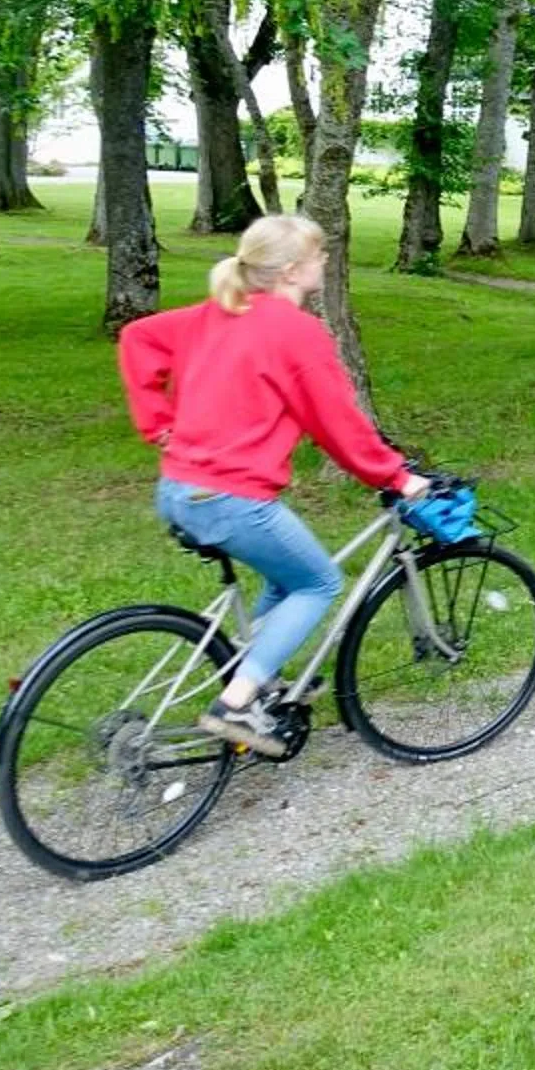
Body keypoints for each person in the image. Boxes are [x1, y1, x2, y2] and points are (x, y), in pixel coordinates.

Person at [117, 213, 427, 757]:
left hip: (179, 489)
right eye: (318, 254)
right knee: (320, 583)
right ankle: (238, 704)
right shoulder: (296, 332)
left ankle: (259, 674)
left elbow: (137, 337)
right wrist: (394, 476)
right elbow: (336, 422)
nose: (325, 261)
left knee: (287, 576)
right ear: (290, 271)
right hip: (231, 499)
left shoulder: (218, 312)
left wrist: (159, 425)